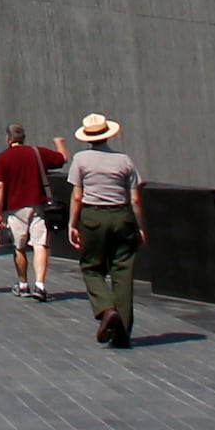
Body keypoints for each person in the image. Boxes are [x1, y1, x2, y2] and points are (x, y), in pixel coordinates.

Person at [64, 112, 142, 346]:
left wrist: (72, 223)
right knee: (123, 271)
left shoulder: (80, 159)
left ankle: (105, 309)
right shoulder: (124, 160)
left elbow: (77, 195)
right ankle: (123, 334)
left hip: (93, 215)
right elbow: (135, 199)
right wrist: (139, 226)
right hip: (122, 215)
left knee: (92, 267)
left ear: (87, 136)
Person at [0, 121, 54, 300]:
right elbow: (62, 158)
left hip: (14, 207)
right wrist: (60, 143)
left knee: (19, 247)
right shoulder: (37, 153)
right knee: (40, 244)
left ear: (8, 139)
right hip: (37, 204)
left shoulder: (3, 158)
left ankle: (23, 284)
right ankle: (41, 285)